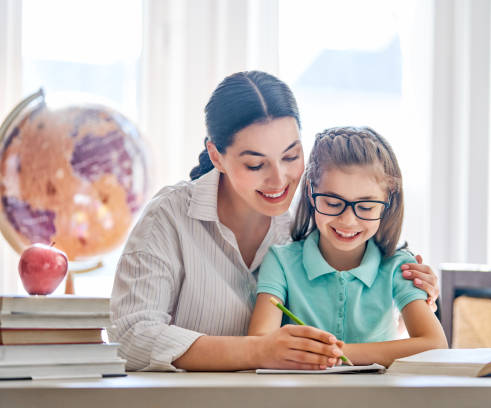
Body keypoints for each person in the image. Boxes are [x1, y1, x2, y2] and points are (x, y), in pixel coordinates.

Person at [109, 71, 440, 371]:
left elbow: (365, 291)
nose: (280, 179)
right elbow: (133, 337)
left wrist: (414, 287)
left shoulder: (317, 214)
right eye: (256, 164)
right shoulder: (170, 217)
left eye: (291, 156)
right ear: (216, 156)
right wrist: (255, 352)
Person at [248, 127, 447, 367]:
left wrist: (336, 353)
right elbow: (258, 344)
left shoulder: (399, 266)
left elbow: (434, 345)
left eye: (365, 207)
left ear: (387, 203)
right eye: (332, 203)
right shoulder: (281, 262)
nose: (348, 221)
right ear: (311, 194)